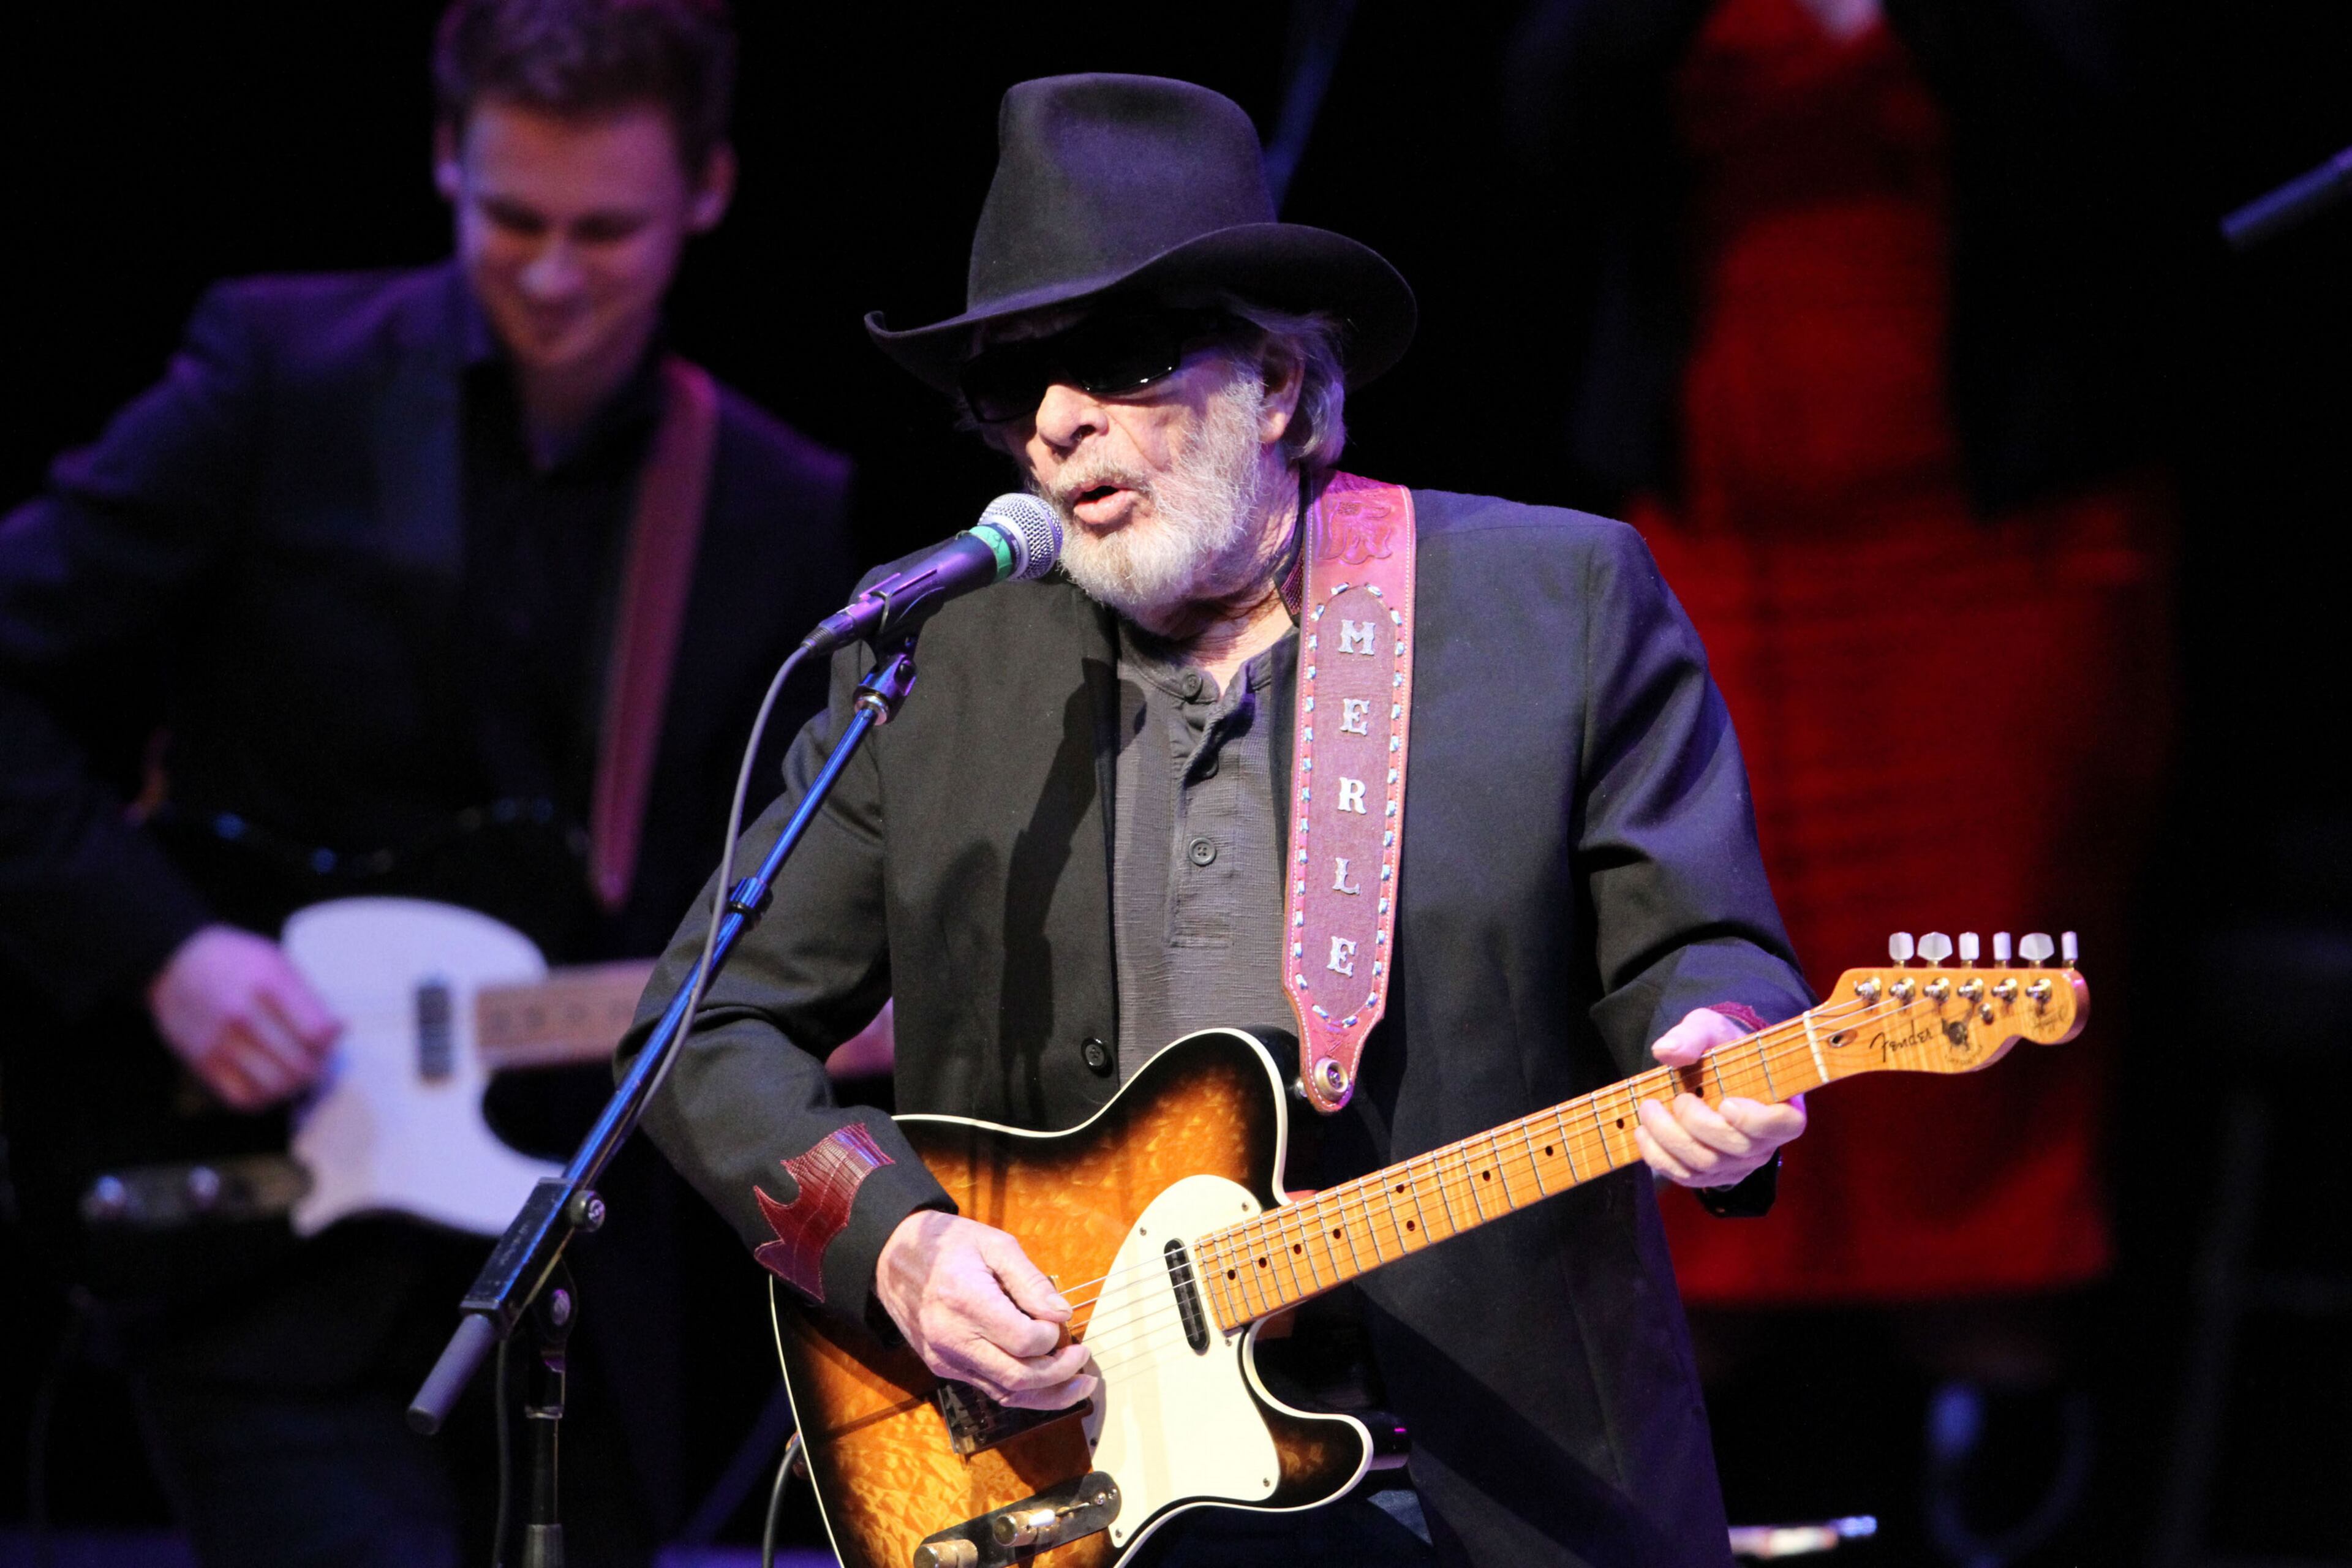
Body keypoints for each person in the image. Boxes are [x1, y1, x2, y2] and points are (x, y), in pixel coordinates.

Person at [627, 75, 1809, 1567]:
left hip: (1490, 1491)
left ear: (1282, 388)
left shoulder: (1554, 603)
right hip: (1071, 1484)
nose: (1056, 425)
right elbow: (702, 1029)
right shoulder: (932, 669)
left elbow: (1700, 953)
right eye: (1012, 385)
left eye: (1116, 361)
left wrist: (1716, 1039)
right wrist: (900, 1245)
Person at [0, 2, 853, 1564]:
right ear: (446, 159)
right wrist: (164, 947)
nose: (549, 271)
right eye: (510, 215)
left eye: (607, 229)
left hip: (585, 1294)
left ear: (711, 192)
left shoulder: (774, 502)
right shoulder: (277, 374)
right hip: (263, 1247)